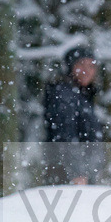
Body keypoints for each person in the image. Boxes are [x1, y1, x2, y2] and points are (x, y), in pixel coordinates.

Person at [44, 45, 104, 185]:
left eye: (91, 66)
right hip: (69, 175)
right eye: (81, 64)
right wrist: (77, 172)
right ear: (70, 67)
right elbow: (65, 134)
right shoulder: (64, 94)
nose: (87, 70)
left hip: (82, 173)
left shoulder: (82, 96)